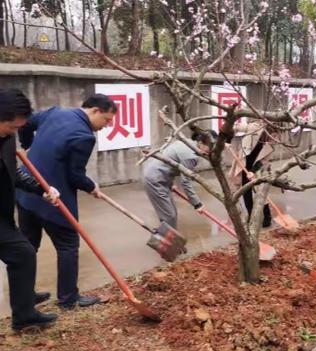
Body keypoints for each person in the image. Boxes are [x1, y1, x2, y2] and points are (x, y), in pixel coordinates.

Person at [16, 94, 117, 309]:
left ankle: (25, 295)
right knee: (68, 245)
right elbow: (75, 176)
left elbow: (25, 124)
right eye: (107, 120)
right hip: (53, 201)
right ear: (95, 110)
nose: (107, 126)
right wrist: (91, 187)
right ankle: (68, 299)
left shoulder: (55, 112)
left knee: (28, 246)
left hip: (25, 192)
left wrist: (28, 146)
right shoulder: (84, 136)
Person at [0, 88, 59, 330]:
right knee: (22, 253)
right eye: (12, 127)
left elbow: (13, 174)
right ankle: (24, 313)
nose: (15, 133)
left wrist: (42, 189)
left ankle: (24, 308)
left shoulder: (7, 138)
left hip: (2, 212)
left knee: (23, 254)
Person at [142, 131, 216, 230]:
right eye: (210, 147)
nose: (211, 151)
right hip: (155, 180)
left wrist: (170, 183)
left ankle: (166, 239)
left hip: (160, 176)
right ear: (200, 143)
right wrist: (197, 204)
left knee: (171, 214)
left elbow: (171, 161)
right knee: (169, 216)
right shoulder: (191, 156)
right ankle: (167, 242)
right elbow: (186, 182)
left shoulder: (187, 142)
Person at [228, 121, 275, 228]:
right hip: (243, 163)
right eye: (271, 133)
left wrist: (253, 171)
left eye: (274, 134)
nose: (272, 136)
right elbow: (233, 128)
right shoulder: (253, 128)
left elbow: (264, 160)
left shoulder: (272, 142)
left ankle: (267, 218)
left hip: (257, 168)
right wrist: (226, 141)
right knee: (246, 191)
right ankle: (251, 216)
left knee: (261, 192)